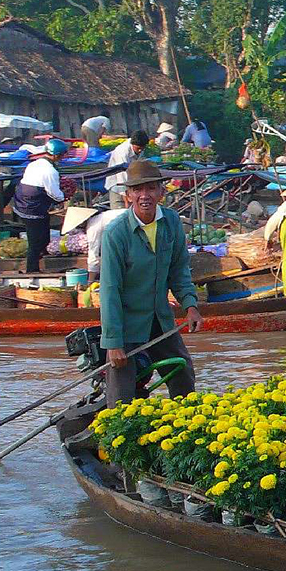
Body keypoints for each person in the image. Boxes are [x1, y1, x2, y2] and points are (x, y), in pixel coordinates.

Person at [98, 160, 200, 406]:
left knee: (183, 375)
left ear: (161, 192)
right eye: (138, 190)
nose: (145, 195)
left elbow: (179, 269)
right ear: (128, 195)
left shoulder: (171, 223)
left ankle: (185, 426)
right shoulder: (116, 233)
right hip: (126, 324)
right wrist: (113, 343)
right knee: (121, 395)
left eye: (151, 188)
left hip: (159, 318)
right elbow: (110, 289)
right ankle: (115, 436)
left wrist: (190, 305)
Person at [13, 139, 67, 273]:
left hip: (23, 203)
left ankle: (39, 263)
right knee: (36, 242)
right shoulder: (50, 171)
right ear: (57, 156)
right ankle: (32, 270)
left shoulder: (34, 164)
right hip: (32, 208)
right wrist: (64, 196)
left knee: (43, 238)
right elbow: (54, 194)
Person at [106, 131, 149, 209]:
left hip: (131, 186)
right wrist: (126, 200)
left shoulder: (139, 148)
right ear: (132, 144)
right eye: (138, 148)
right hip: (117, 186)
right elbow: (121, 177)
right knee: (119, 213)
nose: (140, 151)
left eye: (142, 148)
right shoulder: (122, 152)